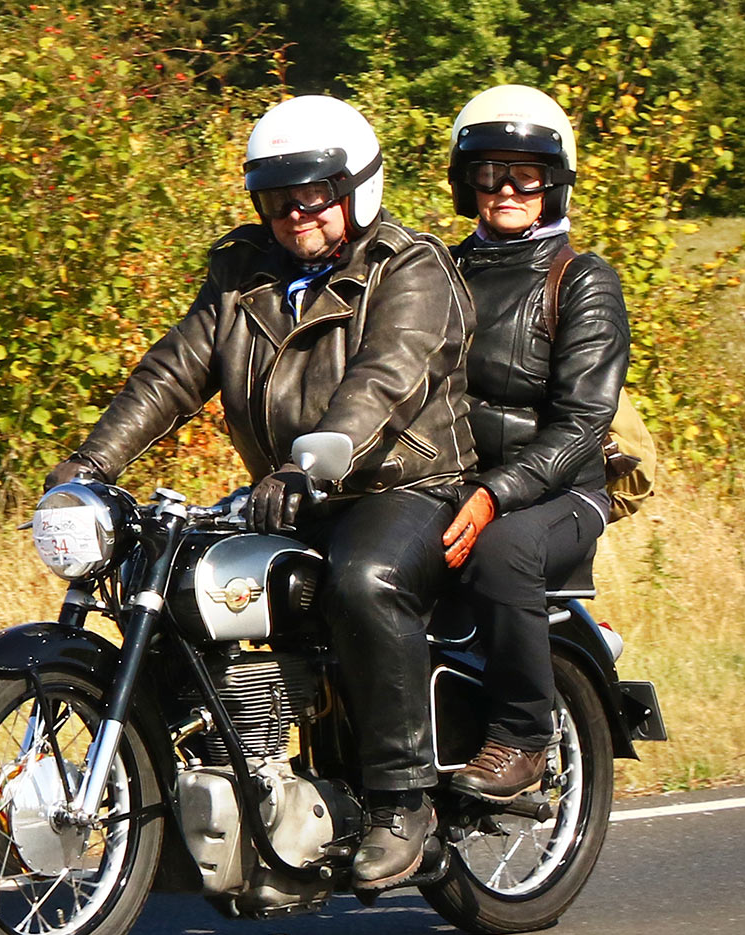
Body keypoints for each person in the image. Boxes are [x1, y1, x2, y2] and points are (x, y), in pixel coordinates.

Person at [45, 95, 476, 888]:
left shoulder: (410, 268)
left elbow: (381, 382)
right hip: (293, 491)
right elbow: (174, 371)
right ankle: (225, 784)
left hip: (404, 485)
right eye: (278, 197)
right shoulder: (244, 273)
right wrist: (90, 465)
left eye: (312, 193)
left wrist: (305, 467)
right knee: (177, 586)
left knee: (361, 579)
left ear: (357, 187)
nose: (294, 212)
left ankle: (402, 803)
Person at [440, 85, 630, 802]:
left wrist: (497, 493)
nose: (507, 188)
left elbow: (582, 423)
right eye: (490, 172)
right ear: (468, 183)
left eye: (526, 173)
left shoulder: (581, 281)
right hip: (456, 482)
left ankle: (522, 737)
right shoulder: (442, 272)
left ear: (554, 181)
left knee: (503, 549)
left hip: (561, 492)